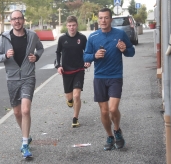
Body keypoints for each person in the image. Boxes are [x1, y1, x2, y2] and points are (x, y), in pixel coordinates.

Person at [0, 10, 44, 158]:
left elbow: (40, 48)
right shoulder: (4, 38)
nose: (17, 21)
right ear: (11, 21)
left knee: (25, 110)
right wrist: (5, 56)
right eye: (14, 19)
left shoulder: (32, 36)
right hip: (12, 79)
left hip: (28, 76)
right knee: (16, 112)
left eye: (19, 18)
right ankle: (26, 135)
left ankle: (24, 144)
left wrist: (36, 57)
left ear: (23, 20)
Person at [83, 8, 135, 150]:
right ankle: (109, 136)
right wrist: (94, 56)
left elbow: (132, 52)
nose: (103, 21)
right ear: (98, 20)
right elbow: (85, 56)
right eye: (100, 18)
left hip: (115, 76)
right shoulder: (93, 37)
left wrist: (125, 49)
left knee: (113, 109)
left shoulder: (120, 34)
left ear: (111, 19)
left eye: (106, 18)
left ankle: (117, 130)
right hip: (99, 77)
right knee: (104, 111)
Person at [55, 15, 90, 128]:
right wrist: (58, 66)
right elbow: (57, 53)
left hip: (79, 69)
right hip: (66, 71)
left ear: (77, 25)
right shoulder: (62, 39)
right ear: (66, 26)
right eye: (69, 25)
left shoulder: (83, 38)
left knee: (76, 96)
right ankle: (69, 101)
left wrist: (88, 61)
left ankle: (75, 118)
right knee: (69, 97)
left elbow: (88, 51)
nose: (72, 28)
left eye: (73, 25)